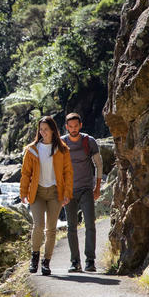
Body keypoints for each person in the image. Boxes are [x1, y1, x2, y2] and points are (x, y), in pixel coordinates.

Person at [19, 116, 73, 275]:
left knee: (51, 230)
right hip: (37, 192)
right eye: (41, 130)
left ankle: (46, 262)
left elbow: (68, 173)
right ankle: (34, 256)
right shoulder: (31, 149)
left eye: (46, 129)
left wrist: (67, 193)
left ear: (53, 130)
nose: (43, 132)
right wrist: (23, 193)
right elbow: (25, 174)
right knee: (38, 226)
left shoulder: (62, 149)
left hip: (56, 193)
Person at [61, 113, 103, 272]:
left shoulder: (89, 141)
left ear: (80, 125)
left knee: (90, 225)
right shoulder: (62, 142)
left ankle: (90, 261)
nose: (73, 129)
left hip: (86, 188)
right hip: (68, 191)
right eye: (70, 126)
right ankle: (75, 262)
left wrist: (97, 187)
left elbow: (99, 164)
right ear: (66, 127)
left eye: (75, 126)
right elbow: (57, 168)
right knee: (71, 227)